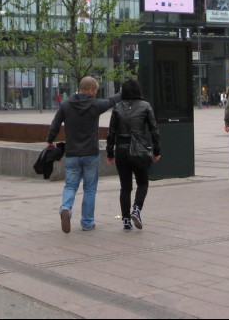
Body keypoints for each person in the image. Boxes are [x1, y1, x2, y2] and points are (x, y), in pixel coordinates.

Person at [46, 76, 121, 233]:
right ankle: (87, 223)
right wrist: (124, 92)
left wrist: (50, 140)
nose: (96, 93)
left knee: (71, 186)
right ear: (91, 90)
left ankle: (66, 208)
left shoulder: (66, 104)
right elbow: (110, 101)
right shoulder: (95, 104)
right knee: (90, 189)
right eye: (96, 90)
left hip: (72, 153)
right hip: (90, 153)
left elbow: (55, 123)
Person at [106, 78, 161, 230]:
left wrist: (110, 153)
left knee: (125, 186)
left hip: (122, 150)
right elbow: (154, 130)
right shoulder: (145, 106)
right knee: (143, 182)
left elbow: (111, 133)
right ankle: (136, 209)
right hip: (139, 150)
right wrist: (156, 151)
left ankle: (125, 220)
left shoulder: (117, 108)